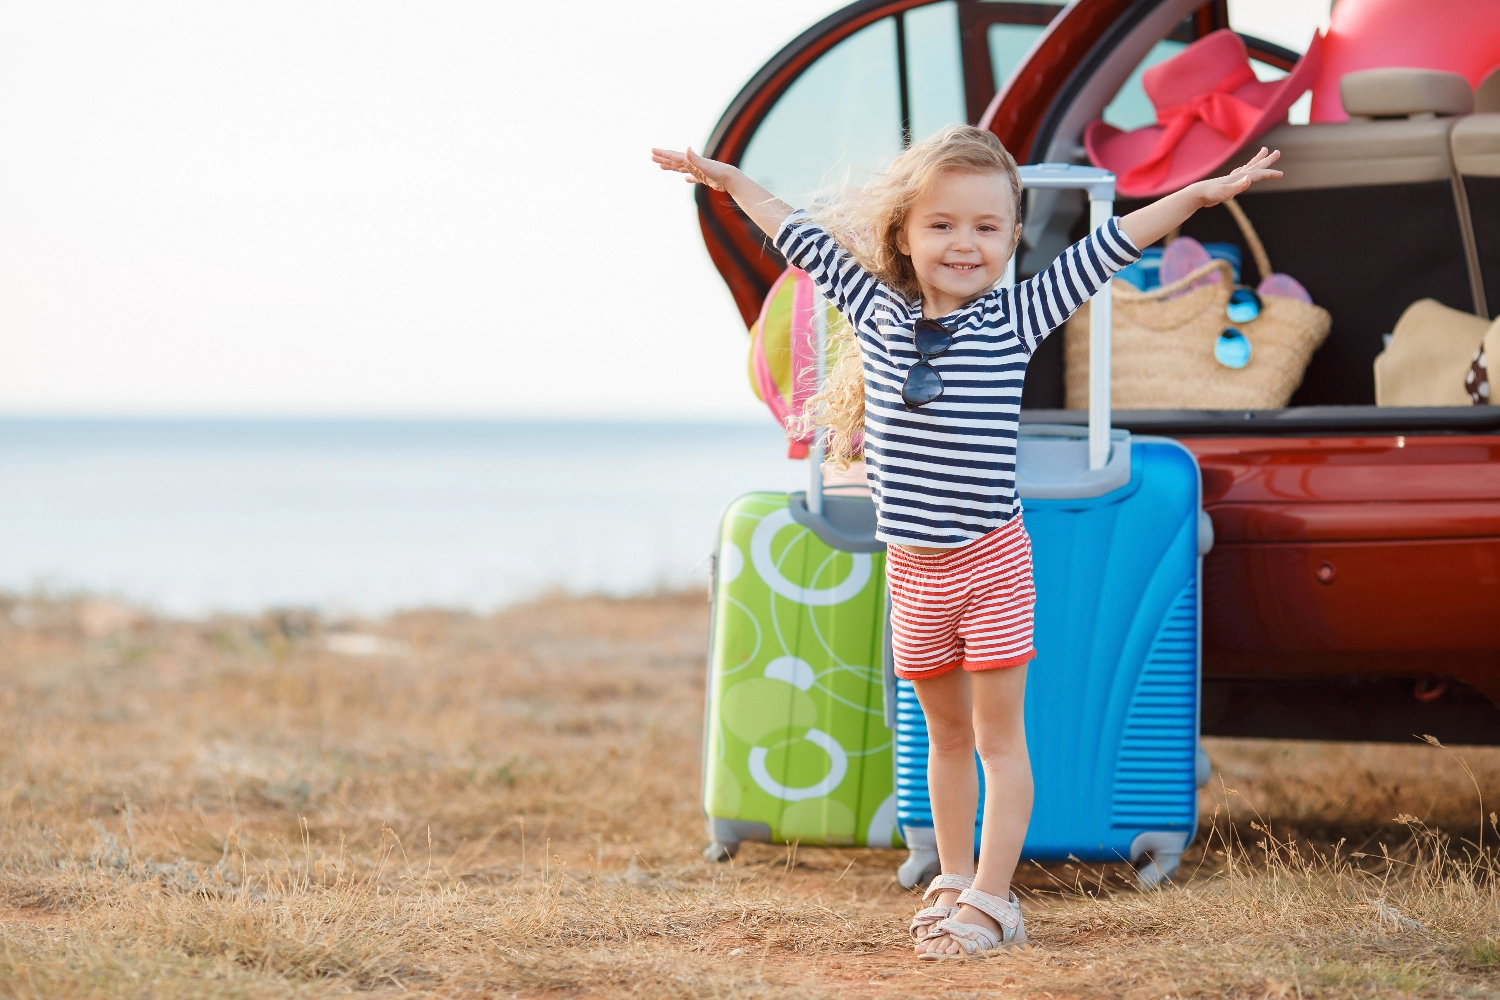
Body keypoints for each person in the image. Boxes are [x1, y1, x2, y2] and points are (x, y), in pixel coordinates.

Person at [652, 126, 1281, 958]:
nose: (964, 243)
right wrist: (728, 178)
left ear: (1013, 239)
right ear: (905, 236)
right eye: (942, 224)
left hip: (992, 566)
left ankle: (994, 897)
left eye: (988, 227)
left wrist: (1197, 196)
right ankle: (953, 879)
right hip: (913, 573)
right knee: (944, 742)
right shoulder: (872, 305)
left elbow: (1114, 242)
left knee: (996, 740)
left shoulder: (1018, 317)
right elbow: (794, 229)